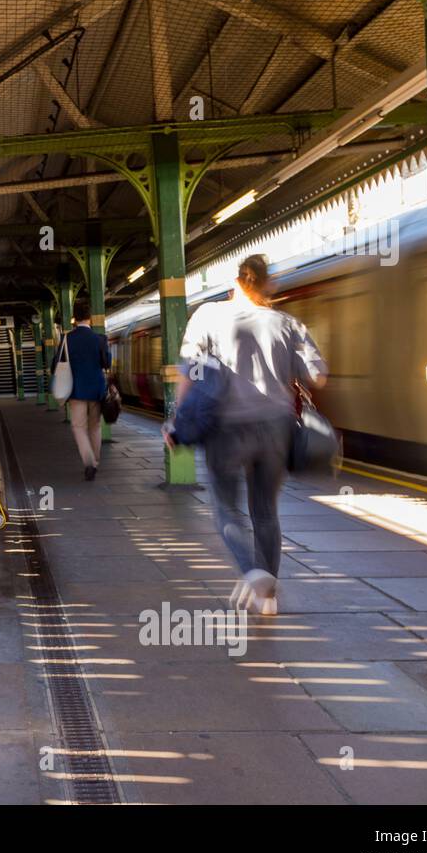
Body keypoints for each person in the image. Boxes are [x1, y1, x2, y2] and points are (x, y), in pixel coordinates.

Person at [170, 254, 327, 615]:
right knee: (266, 511)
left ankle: (253, 571)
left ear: (235, 283)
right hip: (276, 426)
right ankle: (266, 595)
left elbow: (189, 373)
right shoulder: (287, 322)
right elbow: (318, 375)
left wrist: (177, 421)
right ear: (264, 283)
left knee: (226, 509)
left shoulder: (207, 316)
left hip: (226, 427)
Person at [53, 297, 112, 481]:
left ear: (74, 319)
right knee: (95, 427)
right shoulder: (100, 339)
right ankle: (95, 462)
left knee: (78, 427)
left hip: (76, 390)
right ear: (90, 318)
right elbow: (106, 363)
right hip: (97, 390)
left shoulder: (66, 339)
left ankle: (88, 461)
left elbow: (54, 364)